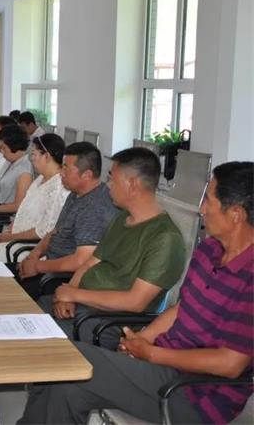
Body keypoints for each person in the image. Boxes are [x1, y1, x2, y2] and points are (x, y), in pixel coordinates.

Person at [19, 161, 253, 424]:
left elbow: (229, 364)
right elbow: (181, 308)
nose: (202, 209)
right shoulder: (209, 250)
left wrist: (151, 353)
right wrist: (141, 338)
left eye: (208, 200)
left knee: (71, 360)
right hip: (161, 365)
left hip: (195, 394)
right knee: (69, 388)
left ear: (236, 214)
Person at [39, 148, 186, 347]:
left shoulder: (165, 238)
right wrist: (69, 293)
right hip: (84, 306)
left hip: (108, 322)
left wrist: (74, 294)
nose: (108, 185)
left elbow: (136, 302)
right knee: (36, 311)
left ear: (132, 184)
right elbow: (90, 263)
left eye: (112, 179)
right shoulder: (122, 219)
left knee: (41, 335)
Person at [18, 142, 119, 298]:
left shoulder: (95, 208)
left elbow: (81, 261)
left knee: (6, 291)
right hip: (48, 267)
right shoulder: (75, 193)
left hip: (61, 279)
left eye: (66, 168)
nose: (61, 173)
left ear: (87, 175)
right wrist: (34, 254)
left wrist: (37, 266)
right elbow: (55, 231)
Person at [0, 134, 70, 259]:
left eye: (34, 154)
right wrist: (10, 229)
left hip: (26, 247)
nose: (32, 158)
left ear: (47, 156)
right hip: (14, 238)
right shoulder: (40, 179)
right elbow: (23, 209)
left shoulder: (59, 186)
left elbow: (43, 231)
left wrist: (11, 237)